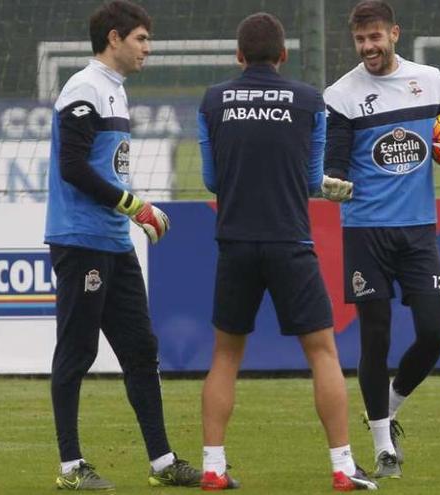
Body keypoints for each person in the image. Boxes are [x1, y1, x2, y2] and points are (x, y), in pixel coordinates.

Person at [197, 12, 377, 492]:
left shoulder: (213, 100)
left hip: (234, 241)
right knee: (322, 352)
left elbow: (212, 180)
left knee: (225, 355)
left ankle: (213, 467)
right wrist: (322, 186)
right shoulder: (308, 100)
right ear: (283, 56)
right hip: (289, 241)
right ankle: (342, 467)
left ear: (238, 56)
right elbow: (309, 179)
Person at [323, 0, 440, 479]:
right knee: (375, 337)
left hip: (419, 232)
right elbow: (334, 161)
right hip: (365, 233)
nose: (368, 48)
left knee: (435, 331)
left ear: (394, 34)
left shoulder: (431, 81)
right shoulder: (341, 95)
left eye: (375, 37)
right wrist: (332, 181)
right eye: (360, 40)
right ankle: (383, 447)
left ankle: (391, 406)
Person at [44, 0, 199, 490]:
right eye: (141, 39)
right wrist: (136, 206)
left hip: (112, 242)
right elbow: (73, 166)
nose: (147, 49)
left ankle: (162, 462)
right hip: (80, 240)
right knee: (77, 350)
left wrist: (129, 211)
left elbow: (103, 168)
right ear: (114, 38)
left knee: (140, 349)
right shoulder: (84, 88)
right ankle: (71, 467)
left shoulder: (115, 91)